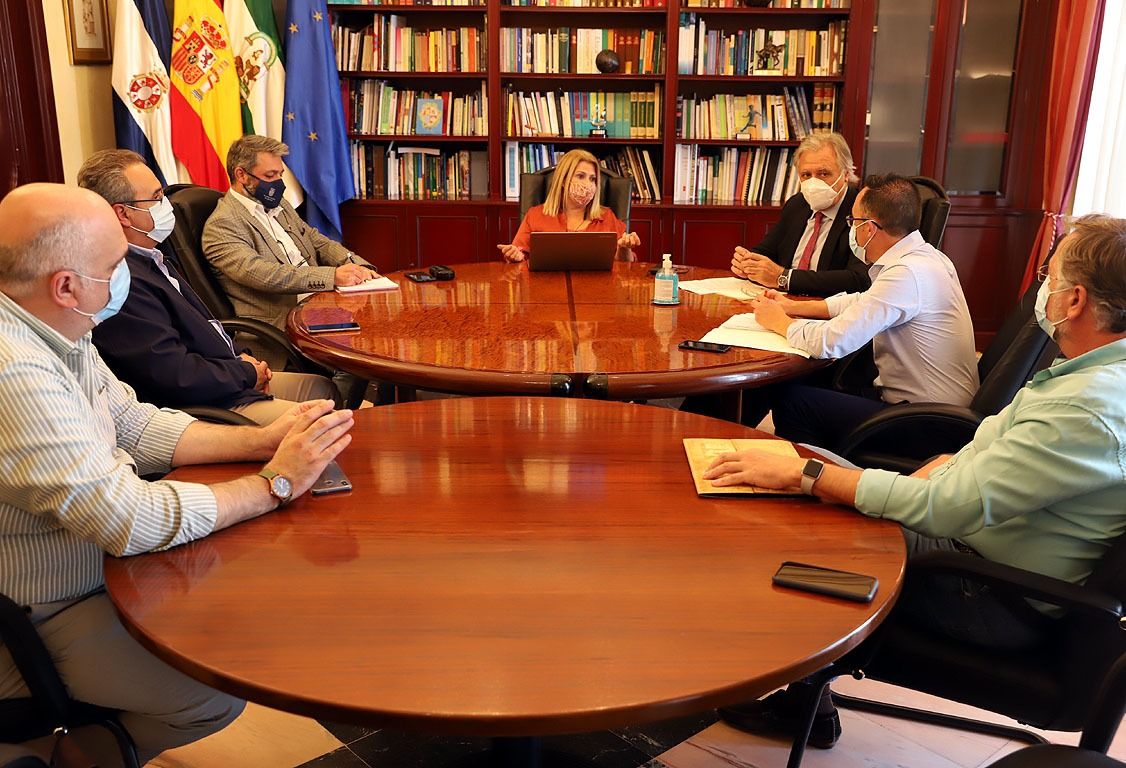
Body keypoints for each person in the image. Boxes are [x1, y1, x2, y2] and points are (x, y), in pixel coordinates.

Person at [704, 213, 1126, 749]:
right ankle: (802, 687)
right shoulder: (1093, 378)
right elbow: (987, 464)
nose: (1042, 289)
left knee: (788, 496)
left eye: (1050, 277)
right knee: (800, 464)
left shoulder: (1085, 407)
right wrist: (933, 471)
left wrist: (810, 476)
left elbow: (944, 510)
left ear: (1076, 300)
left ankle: (781, 685)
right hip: (976, 547)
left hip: (984, 589)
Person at [0, 183, 356, 764]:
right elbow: (126, 519)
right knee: (214, 691)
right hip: (44, 610)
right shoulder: (15, 371)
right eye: (112, 267)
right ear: (66, 286)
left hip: (99, 566)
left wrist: (262, 441)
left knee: (245, 605)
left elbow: (134, 424)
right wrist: (274, 484)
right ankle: (69, 756)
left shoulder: (56, 325)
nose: (122, 279)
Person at [77, 149, 337, 425]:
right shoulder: (120, 281)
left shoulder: (151, 256)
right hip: (205, 406)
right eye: (157, 197)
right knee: (326, 423)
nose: (166, 205)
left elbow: (203, 328)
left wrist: (243, 360)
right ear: (123, 214)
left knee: (323, 389)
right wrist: (247, 375)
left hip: (227, 374)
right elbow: (174, 375)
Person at [748, 172, 979, 449]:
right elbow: (864, 300)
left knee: (792, 402)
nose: (852, 230)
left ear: (869, 228)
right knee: (804, 385)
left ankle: (819, 473)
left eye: (852, 221)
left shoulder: (906, 274)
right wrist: (794, 306)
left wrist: (780, 322)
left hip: (927, 421)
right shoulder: (927, 257)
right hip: (935, 409)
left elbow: (831, 342)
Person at [202, 134, 379, 364]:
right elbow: (264, 274)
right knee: (361, 352)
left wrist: (355, 264)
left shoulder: (279, 204)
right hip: (281, 327)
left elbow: (315, 240)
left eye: (280, 174)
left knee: (377, 329)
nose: (278, 183)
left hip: (318, 303)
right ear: (241, 175)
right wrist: (331, 276)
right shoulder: (222, 225)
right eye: (270, 176)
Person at [730, 132, 870, 297]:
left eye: (823, 173)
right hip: (783, 300)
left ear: (845, 174)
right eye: (806, 175)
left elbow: (858, 279)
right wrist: (748, 262)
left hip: (827, 306)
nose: (813, 183)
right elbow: (767, 250)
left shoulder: (862, 211)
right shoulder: (797, 204)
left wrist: (784, 278)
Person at [498, 149, 640, 263]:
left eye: (592, 179)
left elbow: (625, 267)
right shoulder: (535, 215)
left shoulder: (607, 217)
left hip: (597, 288)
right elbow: (519, 258)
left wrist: (624, 249)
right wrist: (515, 256)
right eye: (580, 176)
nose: (588, 184)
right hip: (547, 288)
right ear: (563, 180)